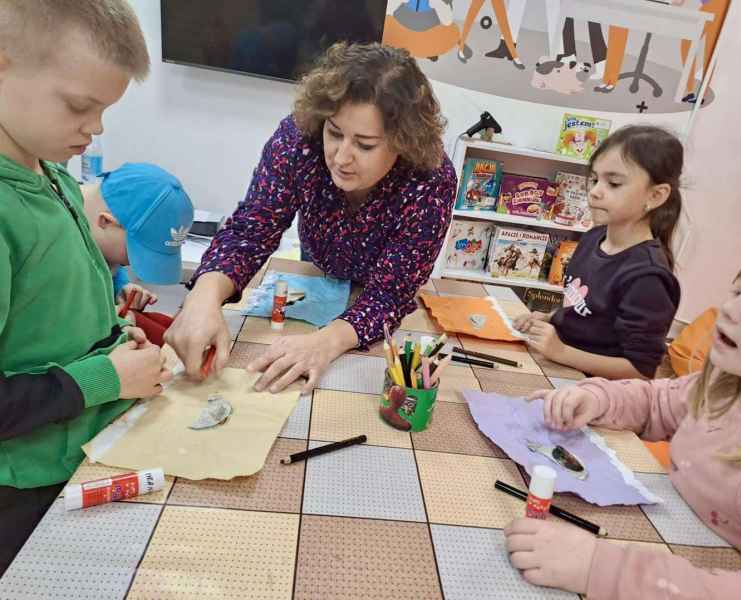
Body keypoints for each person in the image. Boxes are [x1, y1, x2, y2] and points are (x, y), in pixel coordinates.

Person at [505, 229, 741, 599]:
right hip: (670, 533)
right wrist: (597, 399)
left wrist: (601, 569)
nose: (729, 309)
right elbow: (656, 402)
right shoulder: (727, 387)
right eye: (737, 290)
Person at [165, 42, 456, 393]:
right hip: (317, 273)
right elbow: (252, 228)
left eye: (364, 145)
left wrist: (326, 342)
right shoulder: (298, 140)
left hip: (379, 302)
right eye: (334, 133)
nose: (342, 157)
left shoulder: (431, 179)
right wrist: (204, 296)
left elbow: (390, 294)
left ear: (403, 142)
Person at [0, 0, 170, 576]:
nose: (96, 128)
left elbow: (49, 315)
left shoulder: (51, 175)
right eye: (80, 106)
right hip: (20, 493)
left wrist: (114, 336)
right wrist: (106, 376)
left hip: (82, 452)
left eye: (105, 110)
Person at [515, 126, 682, 379]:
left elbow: (641, 370)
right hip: (559, 371)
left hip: (595, 395)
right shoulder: (594, 237)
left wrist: (561, 352)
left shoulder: (648, 277)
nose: (594, 191)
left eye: (613, 183)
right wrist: (548, 318)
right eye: (594, 180)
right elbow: (589, 314)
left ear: (656, 195)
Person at [82, 162, 195, 314]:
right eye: (133, 254)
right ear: (105, 221)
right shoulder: (55, 243)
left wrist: (120, 286)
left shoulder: (99, 237)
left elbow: (108, 262)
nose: (130, 263)